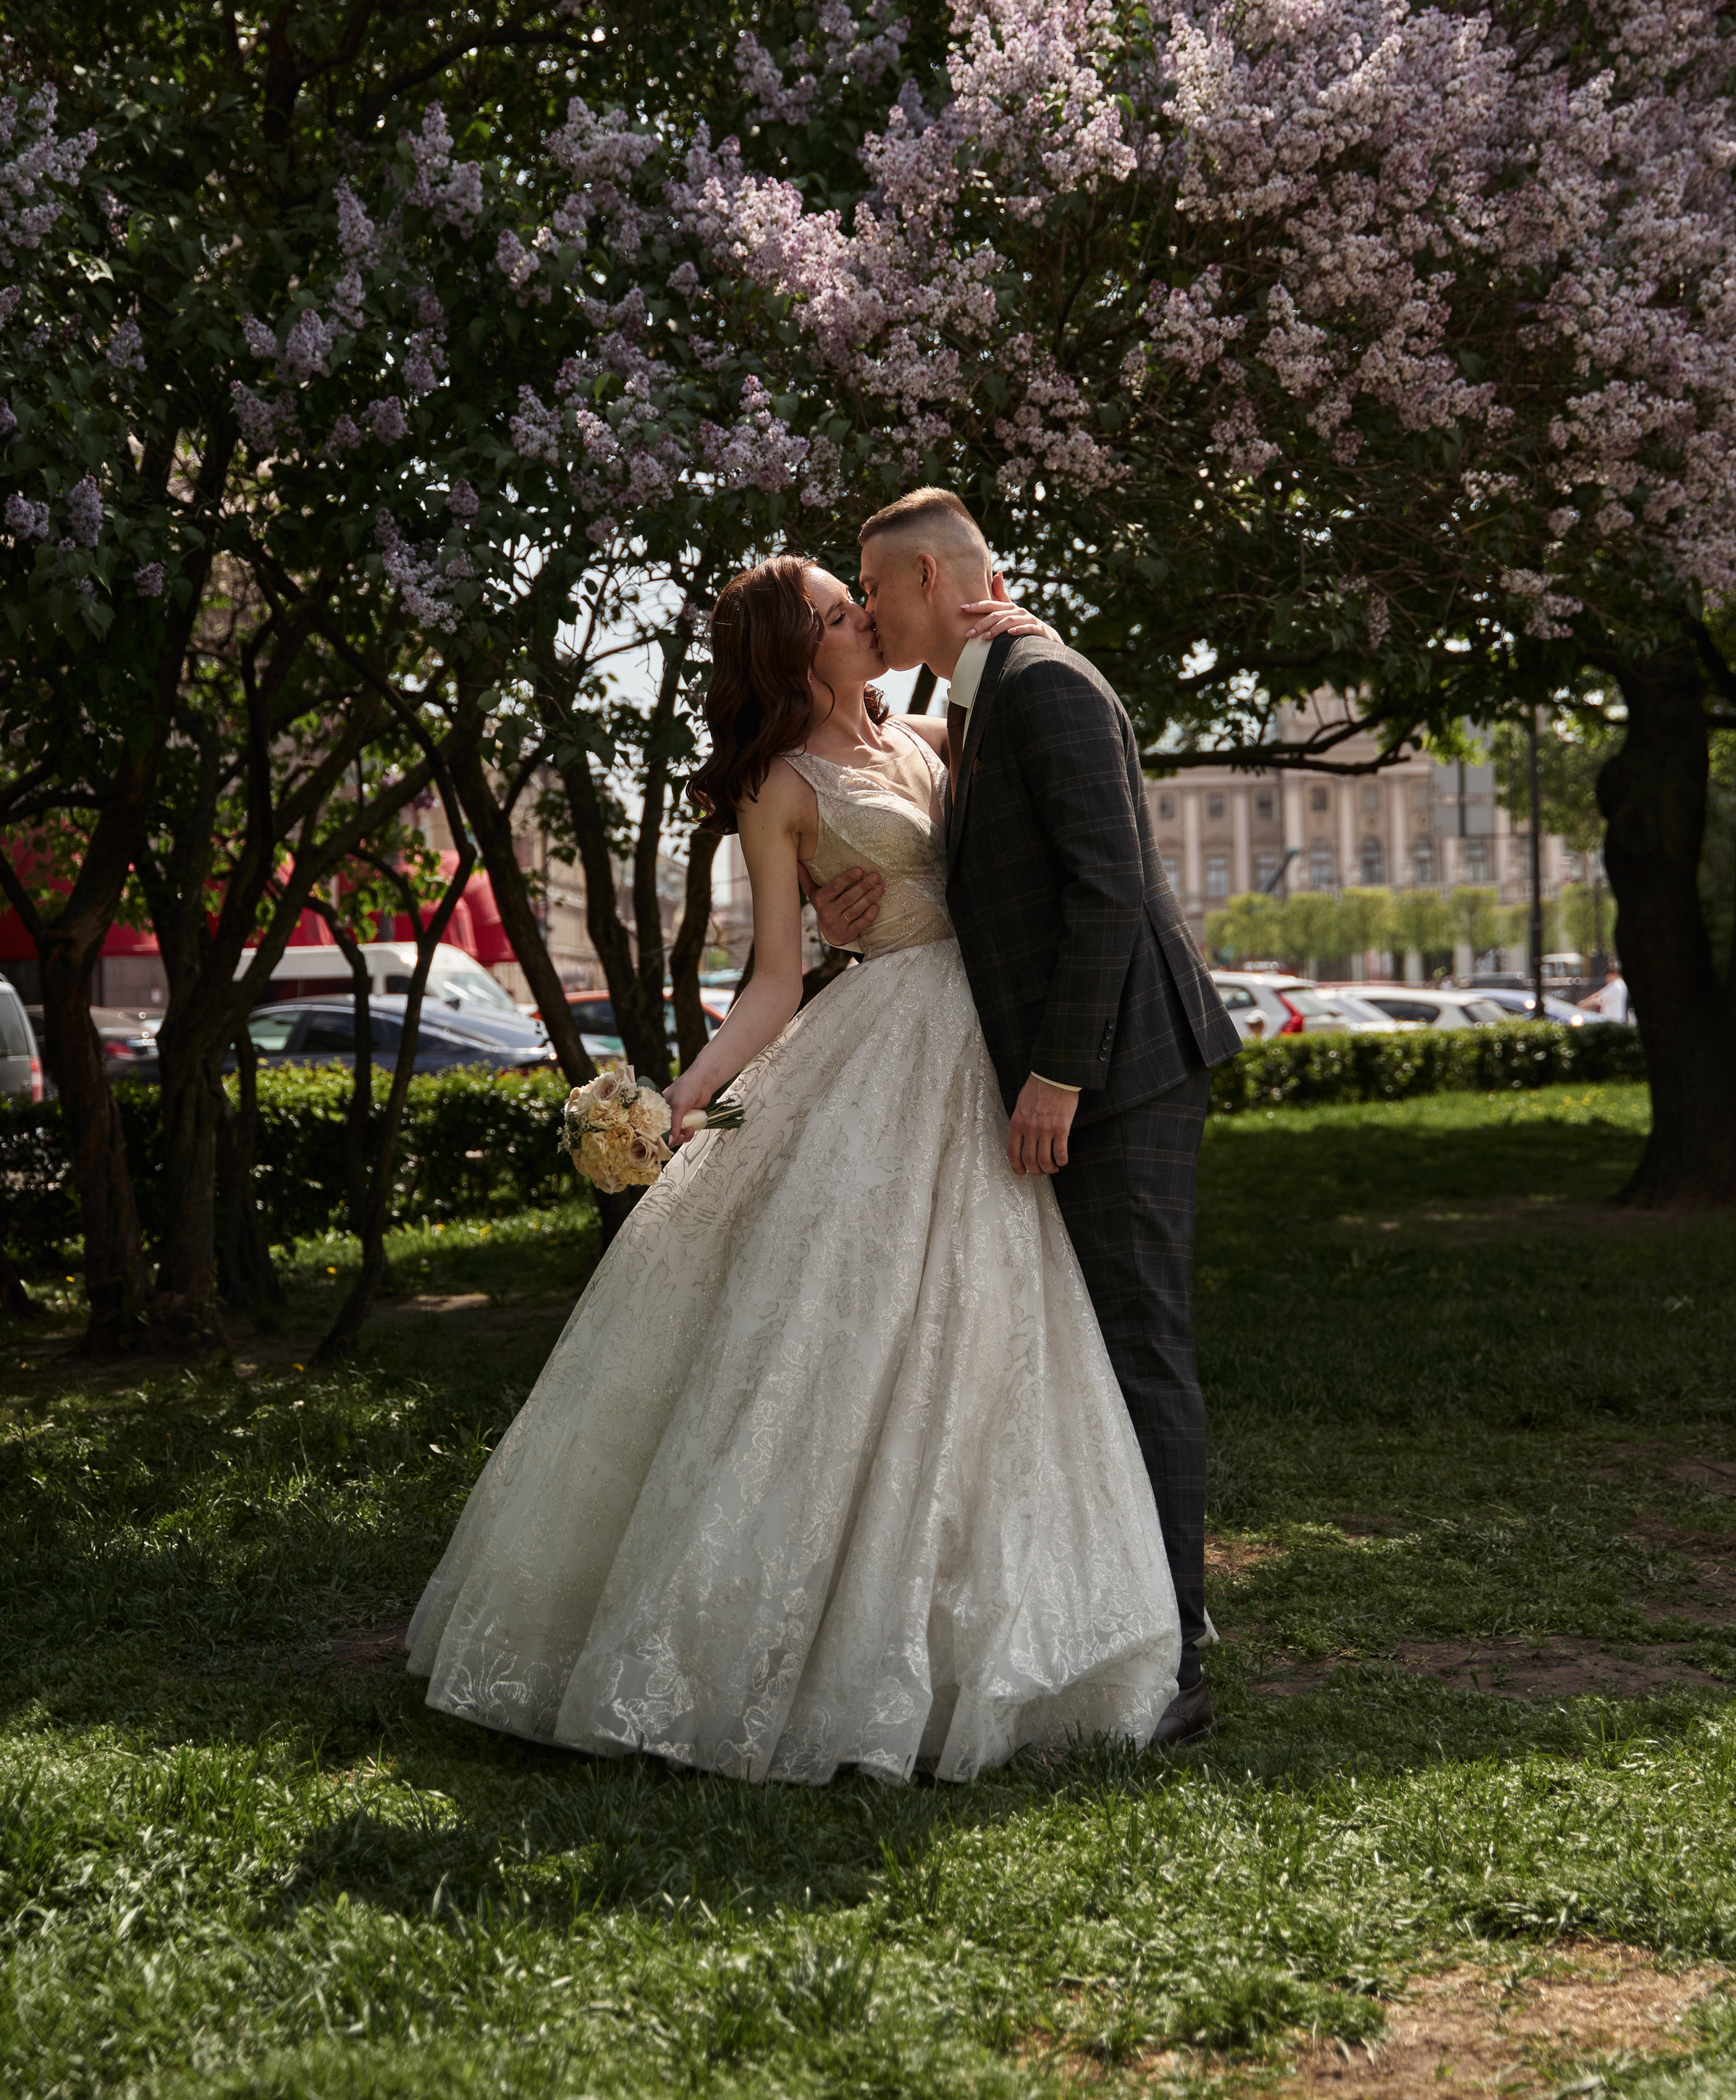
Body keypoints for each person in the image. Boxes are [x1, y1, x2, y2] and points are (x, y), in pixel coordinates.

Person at [406, 554, 1182, 1784]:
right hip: (882, 1049)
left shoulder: (934, 736)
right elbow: (774, 978)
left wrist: (1023, 624)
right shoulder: (781, 788)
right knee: (837, 1332)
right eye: (837, 613)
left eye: (859, 600)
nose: (865, 618)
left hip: (983, 1042)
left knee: (986, 1334)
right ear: (796, 653)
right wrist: (676, 1101)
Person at [835, 490, 1244, 1747]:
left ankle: (1172, 1659)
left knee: (1138, 1347)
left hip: (1124, 1071)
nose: (863, 614)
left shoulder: (1045, 680)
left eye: (871, 590)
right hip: (1093, 1069)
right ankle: (1135, 1619)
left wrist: (1059, 1075)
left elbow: (1111, 887)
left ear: (920, 576)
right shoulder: (988, 688)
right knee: (1106, 1349)